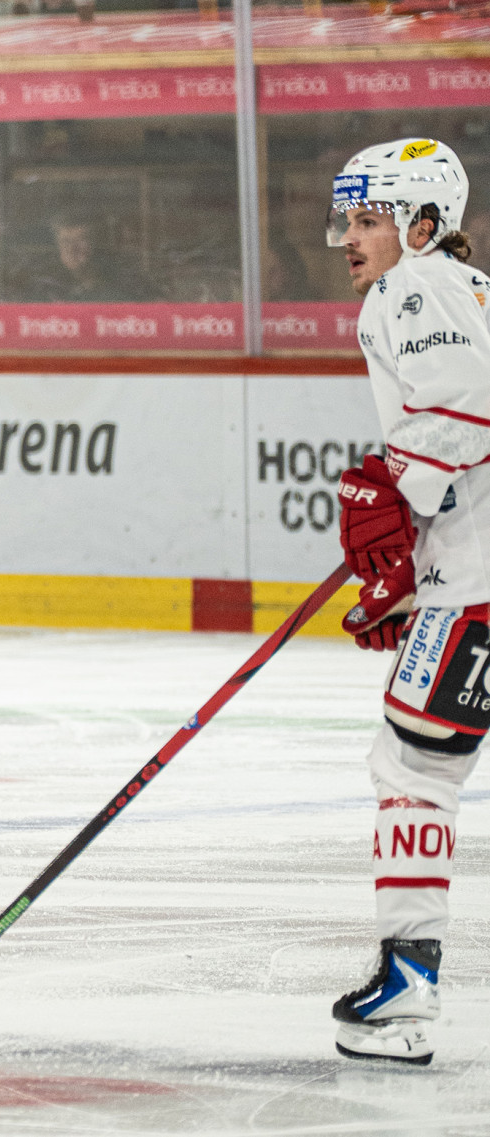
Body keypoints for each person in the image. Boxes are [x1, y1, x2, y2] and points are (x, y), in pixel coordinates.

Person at [325, 137, 488, 1066]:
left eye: (368, 218)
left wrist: (400, 494)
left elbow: (464, 406)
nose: (349, 239)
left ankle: (407, 984)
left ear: (422, 225)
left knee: (414, 767)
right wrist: (403, 552)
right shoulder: (469, 292)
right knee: (419, 759)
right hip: (466, 582)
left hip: (477, 590)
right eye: (345, 219)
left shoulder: (412, 287)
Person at [19, 209, 158, 303]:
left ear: (98, 243)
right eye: (65, 241)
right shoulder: (44, 284)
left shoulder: (129, 281)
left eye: (81, 240)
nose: (72, 249)